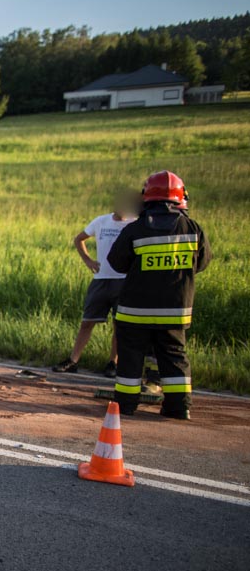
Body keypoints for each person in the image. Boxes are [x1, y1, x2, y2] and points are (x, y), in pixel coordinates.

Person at [107, 170, 211, 419]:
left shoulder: (135, 229)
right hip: (174, 311)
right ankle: (179, 408)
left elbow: (116, 262)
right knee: (174, 357)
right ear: (180, 197)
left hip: (135, 311)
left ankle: (125, 406)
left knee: (131, 359)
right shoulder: (192, 229)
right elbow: (202, 262)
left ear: (147, 197)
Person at [53, 192, 138, 377]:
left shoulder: (134, 223)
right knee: (87, 321)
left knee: (119, 324)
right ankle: (73, 361)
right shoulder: (101, 221)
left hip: (123, 280)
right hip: (101, 279)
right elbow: (79, 239)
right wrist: (88, 261)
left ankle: (113, 363)